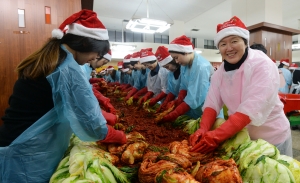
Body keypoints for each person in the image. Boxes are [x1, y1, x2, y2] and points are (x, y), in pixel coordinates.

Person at [0, 10, 127, 182]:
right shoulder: (67, 68)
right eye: (97, 54)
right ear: (84, 45)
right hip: (28, 148)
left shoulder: (54, 57)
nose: (95, 58)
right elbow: (90, 122)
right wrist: (116, 135)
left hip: (17, 139)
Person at [189, 16, 292, 157]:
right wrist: (203, 129)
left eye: (234, 41)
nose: (229, 48)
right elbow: (212, 104)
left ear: (245, 42)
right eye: (223, 44)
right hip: (243, 139)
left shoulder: (262, 64)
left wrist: (215, 136)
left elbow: (250, 109)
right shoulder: (220, 73)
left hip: (272, 138)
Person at [157, 35, 220, 123]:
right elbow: (183, 86)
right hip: (192, 109)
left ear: (185, 52)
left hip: (207, 108)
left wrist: (175, 113)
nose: (176, 62)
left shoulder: (201, 66)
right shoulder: (184, 65)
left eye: (176, 57)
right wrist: (178, 101)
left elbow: (194, 97)